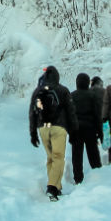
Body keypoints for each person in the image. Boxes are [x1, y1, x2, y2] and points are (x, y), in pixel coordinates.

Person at [28, 66, 77, 200]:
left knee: (51, 158)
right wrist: (73, 131)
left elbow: (32, 113)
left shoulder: (37, 91)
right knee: (58, 157)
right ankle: (52, 187)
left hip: (42, 128)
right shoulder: (62, 90)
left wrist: (33, 133)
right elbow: (71, 112)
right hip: (59, 127)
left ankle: (57, 186)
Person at [68, 72, 103, 184]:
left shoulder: (71, 96)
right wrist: (100, 133)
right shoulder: (93, 96)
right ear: (88, 83)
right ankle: (97, 176)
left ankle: (78, 179)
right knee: (93, 154)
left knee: (77, 156)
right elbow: (98, 115)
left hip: (76, 130)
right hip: (90, 130)